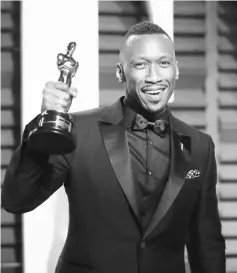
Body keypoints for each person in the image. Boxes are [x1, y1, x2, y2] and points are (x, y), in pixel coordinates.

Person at [2, 21, 226, 273]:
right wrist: (44, 126)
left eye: (163, 63)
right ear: (120, 72)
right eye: (141, 64)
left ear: (176, 69)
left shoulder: (200, 145)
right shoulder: (79, 131)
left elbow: (206, 242)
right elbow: (16, 201)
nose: (154, 77)